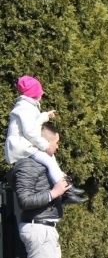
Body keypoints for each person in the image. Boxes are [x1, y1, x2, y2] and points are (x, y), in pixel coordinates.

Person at [10, 122, 78, 258]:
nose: (57, 147)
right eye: (55, 143)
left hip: (49, 227)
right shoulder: (27, 166)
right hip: (37, 227)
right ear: (44, 142)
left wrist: (63, 191)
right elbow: (24, 200)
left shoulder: (45, 165)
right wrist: (53, 193)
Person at [5, 76, 86, 204]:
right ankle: (66, 192)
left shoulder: (27, 106)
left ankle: (67, 188)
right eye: (39, 91)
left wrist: (44, 116)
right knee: (48, 159)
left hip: (25, 145)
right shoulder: (25, 108)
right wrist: (45, 146)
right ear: (34, 94)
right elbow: (30, 132)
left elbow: (33, 125)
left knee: (50, 159)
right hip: (22, 147)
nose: (42, 94)